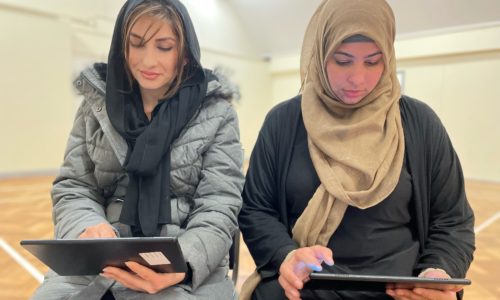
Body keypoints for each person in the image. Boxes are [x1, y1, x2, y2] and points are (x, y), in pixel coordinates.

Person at [238, 0, 475, 299]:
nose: (357, 78)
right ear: (320, 54)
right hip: (305, 288)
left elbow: (452, 220)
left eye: (373, 62)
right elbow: (257, 209)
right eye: (342, 60)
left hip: (397, 291)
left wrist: (436, 274)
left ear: (388, 58)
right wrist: (285, 255)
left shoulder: (419, 124)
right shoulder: (283, 123)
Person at [32, 0, 244, 299]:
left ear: (184, 54)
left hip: (182, 267)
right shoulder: (95, 106)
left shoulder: (217, 112)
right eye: (137, 44)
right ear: (123, 47)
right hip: (98, 263)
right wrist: (88, 226)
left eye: (164, 46)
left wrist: (183, 263)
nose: (148, 61)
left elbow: (219, 205)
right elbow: (75, 186)